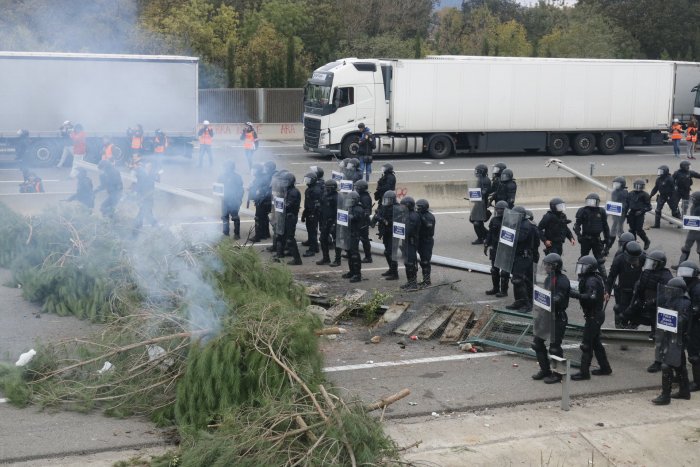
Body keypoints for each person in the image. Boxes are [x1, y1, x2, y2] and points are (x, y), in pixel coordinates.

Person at [621, 250, 673, 372]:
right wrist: (633, 306)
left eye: (653, 262)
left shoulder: (666, 276)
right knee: (625, 314)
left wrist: (654, 301)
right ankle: (629, 329)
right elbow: (639, 290)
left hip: (659, 311)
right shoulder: (646, 273)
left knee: (659, 337)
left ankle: (659, 362)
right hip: (644, 307)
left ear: (659, 264)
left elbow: (667, 294)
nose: (650, 264)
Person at [569, 255, 612, 380]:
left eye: (583, 267)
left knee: (586, 345)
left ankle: (584, 372)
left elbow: (590, 297)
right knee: (596, 343)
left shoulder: (591, 281)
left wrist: (574, 295)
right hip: (594, 315)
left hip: (594, 316)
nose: (580, 270)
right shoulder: (590, 278)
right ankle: (605, 368)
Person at [531, 253, 571, 384]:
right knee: (537, 343)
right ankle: (545, 370)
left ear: (555, 266)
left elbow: (559, 297)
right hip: (546, 315)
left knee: (554, 347)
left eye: (548, 265)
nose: (546, 267)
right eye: (545, 265)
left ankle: (558, 374)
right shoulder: (549, 278)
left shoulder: (563, 280)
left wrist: (554, 299)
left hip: (557, 317)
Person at [651, 277, 691, 405]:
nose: (668, 291)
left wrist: (670, 320)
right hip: (671, 336)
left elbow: (683, 320)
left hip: (678, 338)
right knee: (680, 365)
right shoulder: (671, 299)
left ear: (678, 291)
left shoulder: (684, 302)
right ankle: (684, 391)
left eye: (671, 289)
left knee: (666, 365)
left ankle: (665, 396)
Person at [605, 240, 644, 328]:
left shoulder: (642, 257)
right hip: (623, 290)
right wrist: (607, 291)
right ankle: (620, 326)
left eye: (635, 259)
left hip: (637, 290)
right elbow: (611, 277)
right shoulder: (619, 260)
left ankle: (633, 328)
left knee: (636, 312)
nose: (633, 261)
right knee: (621, 311)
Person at [505, 206, 537, 312]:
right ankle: (519, 301)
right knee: (517, 279)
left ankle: (527, 304)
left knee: (518, 280)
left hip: (524, 256)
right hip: (518, 255)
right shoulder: (519, 223)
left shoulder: (525, 225)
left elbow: (519, 238)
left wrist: (508, 232)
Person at [676, 260, 700, 392]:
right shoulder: (689, 286)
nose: (684, 275)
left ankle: (698, 383)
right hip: (690, 323)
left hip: (696, 325)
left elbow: (695, 310)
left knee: (694, 354)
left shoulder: (697, 289)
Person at [574, 193, 610, 278]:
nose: (591, 203)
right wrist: (579, 235)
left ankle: (605, 279)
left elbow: (605, 226)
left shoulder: (601, 211)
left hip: (597, 239)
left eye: (593, 201)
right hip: (585, 239)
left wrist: (607, 239)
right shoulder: (582, 211)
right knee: (583, 259)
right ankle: (580, 277)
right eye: (590, 201)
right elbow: (577, 225)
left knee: (600, 260)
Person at [371, 190, 399, 280]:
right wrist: (375, 218)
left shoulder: (397, 209)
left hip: (393, 234)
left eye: (388, 200)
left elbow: (389, 222)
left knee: (391, 253)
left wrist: (381, 219)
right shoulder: (384, 207)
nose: (386, 202)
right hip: (386, 233)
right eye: (385, 200)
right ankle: (391, 269)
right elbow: (378, 215)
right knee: (387, 252)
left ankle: (395, 273)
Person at [275, 172, 302, 265]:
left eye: (285, 181)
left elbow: (289, 205)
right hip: (285, 216)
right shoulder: (286, 190)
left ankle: (297, 259)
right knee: (280, 236)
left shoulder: (293, 192)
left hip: (290, 217)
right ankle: (279, 255)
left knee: (290, 239)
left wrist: (279, 204)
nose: (283, 183)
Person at [484, 200, 509, 297]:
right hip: (495, 248)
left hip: (506, 249)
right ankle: (495, 288)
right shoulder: (494, 220)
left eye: (501, 209)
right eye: (497, 209)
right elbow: (490, 233)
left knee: (504, 271)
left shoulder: (510, 220)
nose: (499, 211)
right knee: (494, 270)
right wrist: (486, 243)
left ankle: (504, 291)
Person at [317, 180, 342, 267]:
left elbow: (339, 212)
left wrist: (335, 223)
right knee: (323, 239)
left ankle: (337, 260)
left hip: (334, 222)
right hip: (325, 221)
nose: (326, 189)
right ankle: (326, 258)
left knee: (336, 241)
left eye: (328, 188)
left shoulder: (337, 197)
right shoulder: (324, 195)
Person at [341, 191, 364, 282]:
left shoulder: (358, 209)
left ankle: (357, 274)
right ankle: (352, 271)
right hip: (348, 233)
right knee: (350, 253)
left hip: (355, 234)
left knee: (354, 254)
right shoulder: (350, 208)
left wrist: (349, 217)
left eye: (351, 200)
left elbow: (357, 218)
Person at [218, 161, 244, 239]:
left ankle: (237, 234)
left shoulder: (237, 177)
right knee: (224, 217)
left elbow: (240, 189)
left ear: (230, 168)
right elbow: (218, 187)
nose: (224, 168)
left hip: (234, 200)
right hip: (225, 200)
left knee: (235, 217)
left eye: (225, 167)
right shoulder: (221, 176)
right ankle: (226, 233)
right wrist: (220, 196)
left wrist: (238, 199)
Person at [401, 196, 422, 290]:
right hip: (406, 241)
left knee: (410, 263)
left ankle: (413, 284)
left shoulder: (413, 216)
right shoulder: (407, 214)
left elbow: (408, 231)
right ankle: (409, 282)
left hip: (411, 242)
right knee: (406, 263)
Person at [675, 191, 700, 267]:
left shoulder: (698, 208)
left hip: (697, 232)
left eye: (693, 199)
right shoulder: (694, 206)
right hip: (693, 230)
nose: (692, 200)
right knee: (686, 248)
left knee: (687, 248)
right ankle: (680, 265)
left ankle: (680, 265)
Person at [132, 163, 158, 232]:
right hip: (145, 199)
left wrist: (143, 197)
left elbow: (150, 189)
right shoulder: (145, 176)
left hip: (148, 199)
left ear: (150, 168)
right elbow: (140, 185)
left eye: (147, 167)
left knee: (142, 214)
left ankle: (137, 228)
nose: (146, 169)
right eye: (145, 167)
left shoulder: (151, 177)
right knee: (148, 214)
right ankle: (156, 227)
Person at [627, 179, 652, 250]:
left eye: (640, 186)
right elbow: (627, 204)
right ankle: (633, 244)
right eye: (637, 186)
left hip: (639, 214)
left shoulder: (645, 195)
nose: (638, 187)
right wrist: (625, 212)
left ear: (643, 186)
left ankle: (646, 241)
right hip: (631, 213)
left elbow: (649, 207)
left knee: (639, 230)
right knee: (632, 230)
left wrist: (642, 211)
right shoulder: (630, 193)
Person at [470, 164, 492, 245]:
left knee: (477, 222)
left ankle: (481, 238)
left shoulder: (485, 180)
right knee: (473, 219)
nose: (476, 172)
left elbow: (486, 191)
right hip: (478, 203)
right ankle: (486, 234)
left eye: (478, 170)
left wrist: (481, 193)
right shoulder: (480, 179)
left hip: (482, 204)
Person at [301, 172, 322, 256]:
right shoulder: (309, 189)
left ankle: (312, 249)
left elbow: (317, 205)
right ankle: (313, 244)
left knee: (312, 231)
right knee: (310, 229)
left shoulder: (316, 190)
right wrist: (304, 214)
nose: (307, 181)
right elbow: (307, 203)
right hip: (309, 211)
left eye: (308, 179)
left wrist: (313, 214)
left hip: (313, 213)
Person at [416, 199, 436, 287]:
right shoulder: (418, 215)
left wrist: (421, 217)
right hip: (419, 240)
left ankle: (427, 281)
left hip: (427, 241)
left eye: (419, 207)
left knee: (425, 262)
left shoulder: (429, 216)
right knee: (421, 261)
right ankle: (424, 279)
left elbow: (429, 226)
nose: (417, 208)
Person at [354, 180, 373, 263]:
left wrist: (363, 220)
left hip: (363, 222)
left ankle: (368, 257)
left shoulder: (365, 197)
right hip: (358, 221)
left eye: (357, 187)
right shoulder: (359, 195)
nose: (355, 189)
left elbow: (367, 211)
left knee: (364, 239)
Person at [249, 164, 269, 242]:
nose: (253, 171)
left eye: (255, 169)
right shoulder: (260, 177)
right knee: (264, 218)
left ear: (258, 170)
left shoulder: (261, 178)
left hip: (262, 201)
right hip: (262, 201)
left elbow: (262, 190)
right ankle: (265, 234)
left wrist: (256, 189)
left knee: (258, 218)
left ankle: (258, 236)